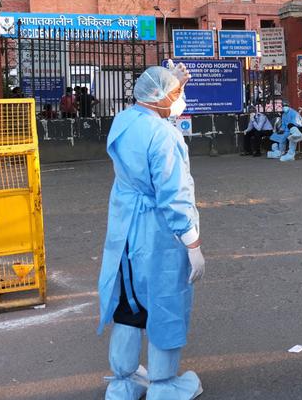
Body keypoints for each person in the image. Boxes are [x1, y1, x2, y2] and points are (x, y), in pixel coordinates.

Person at [97, 65, 204, 400]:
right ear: (160, 97)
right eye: (176, 94)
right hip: (158, 232)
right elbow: (174, 195)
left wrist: (174, 83)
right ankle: (163, 384)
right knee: (165, 302)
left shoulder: (124, 121)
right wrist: (193, 243)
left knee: (129, 303)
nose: (180, 100)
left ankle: (123, 382)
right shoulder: (165, 135)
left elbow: (151, 129)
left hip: (125, 229)